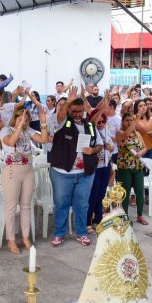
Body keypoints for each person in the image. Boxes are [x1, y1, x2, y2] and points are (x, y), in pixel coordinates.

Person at [49, 87, 103, 247]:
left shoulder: (90, 126)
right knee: (61, 204)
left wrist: (92, 150)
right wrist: (68, 101)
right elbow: (60, 115)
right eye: (74, 111)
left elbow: (99, 144)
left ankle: (81, 233)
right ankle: (59, 234)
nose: (78, 114)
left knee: (82, 204)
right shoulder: (60, 124)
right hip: (62, 173)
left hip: (85, 174)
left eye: (80, 111)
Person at [0, 106, 48, 254]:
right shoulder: (6, 131)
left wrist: (44, 124)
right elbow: (12, 141)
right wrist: (19, 126)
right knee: (12, 206)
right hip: (12, 171)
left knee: (27, 205)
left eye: (26, 120)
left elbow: (44, 139)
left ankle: (25, 237)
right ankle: (11, 239)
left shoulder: (29, 131)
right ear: (15, 117)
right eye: (21, 119)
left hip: (27, 170)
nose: (24, 122)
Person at [114, 111, 147, 224]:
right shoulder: (119, 133)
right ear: (123, 122)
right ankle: (125, 217)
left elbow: (145, 147)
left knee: (139, 192)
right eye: (127, 120)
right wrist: (136, 119)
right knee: (125, 193)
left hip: (137, 167)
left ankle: (140, 215)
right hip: (125, 168)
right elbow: (125, 136)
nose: (129, 122)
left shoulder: (137, 133)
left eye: (131, 120)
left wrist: (140, 154)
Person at [86, 112, 113, 232]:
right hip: (94, 167)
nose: (101, 124)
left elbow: (112, 147)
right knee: (93, 195)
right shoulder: (90, 132)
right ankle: (87, 222)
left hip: (105, 166)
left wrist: (108, 146)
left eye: (103, 122)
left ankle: (98, 220)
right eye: (99, 122)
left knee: (101, 195)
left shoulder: (107, 131)